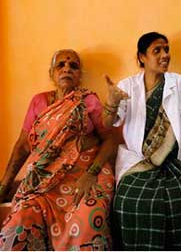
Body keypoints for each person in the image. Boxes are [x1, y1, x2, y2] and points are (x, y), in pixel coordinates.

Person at [103, 32, 181, 250]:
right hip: (139, 160)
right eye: (157, 50)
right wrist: (111, 102)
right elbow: (109, 123)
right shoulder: (127, 86)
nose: (165, 55)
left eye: (166, 49)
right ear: (142, 57)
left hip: (178, 161)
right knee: (129, 202)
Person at [0, 49, 116, 250]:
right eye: (60, 65)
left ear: (80, 75)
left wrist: (91, 173)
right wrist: (4, 187)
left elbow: (110, 140)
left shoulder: (89, 100)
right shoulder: (39, 102)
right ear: (51, 73)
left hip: (86, 174)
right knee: (20, 221)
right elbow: (23, 145)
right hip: (44, 181)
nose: (67, 69)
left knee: (89, 217)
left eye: (73, 66)